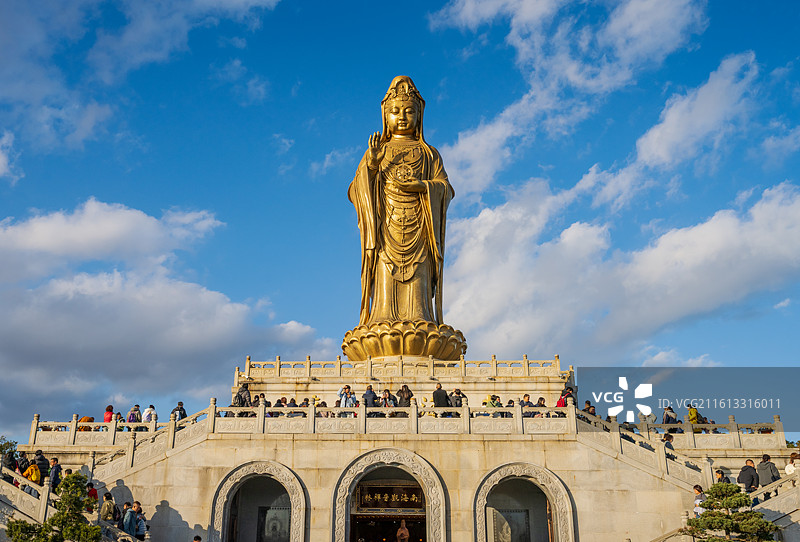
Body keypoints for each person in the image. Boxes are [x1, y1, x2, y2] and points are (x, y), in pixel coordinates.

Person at [347, 75, 454, 330]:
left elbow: (445, 189)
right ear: (386, 116)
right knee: (385, 275)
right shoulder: (378, 151)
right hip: (386, 230)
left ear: (419, 116)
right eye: (395, 111)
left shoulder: (429, 153)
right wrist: (371, 165)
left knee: (418, 280)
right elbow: (355, 191)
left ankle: (422, 319)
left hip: (420, 228)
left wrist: (423, 187)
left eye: (409, 111)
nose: (402, 117)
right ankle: (381, 319)